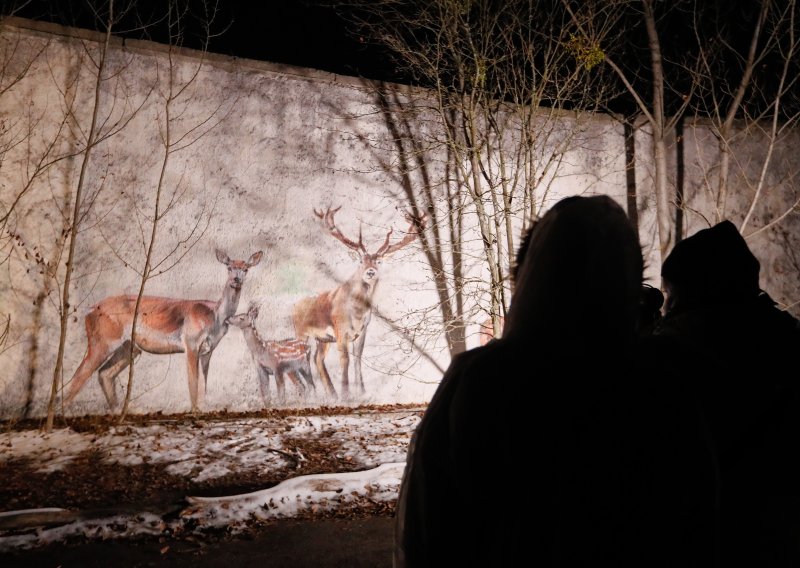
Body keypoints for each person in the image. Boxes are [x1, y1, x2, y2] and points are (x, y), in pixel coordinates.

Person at [394, 195, 718, 567]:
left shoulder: (479, 382)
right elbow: (697, 531)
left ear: (530, 275)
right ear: (627, 283)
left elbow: (428, 533)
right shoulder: (662, 392)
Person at [653, 219, 800, 567]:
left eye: (670, 295)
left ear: (688, 295)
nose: (665, 308)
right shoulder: (789, 345)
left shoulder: (667, 361)